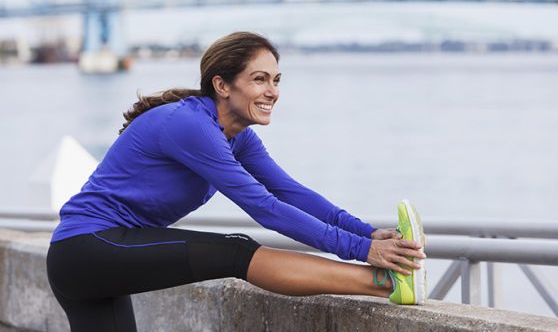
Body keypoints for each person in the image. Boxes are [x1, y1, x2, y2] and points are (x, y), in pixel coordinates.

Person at [46, 31, 427, 332]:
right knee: (234, 251)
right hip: (88, 249)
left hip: (96, 258)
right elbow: (263, 207)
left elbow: (288, 191)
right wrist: (361, 252)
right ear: (223, 85)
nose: (273, 91)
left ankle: (385, 275)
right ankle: (384, 283)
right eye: (259, 79)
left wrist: (366, 233)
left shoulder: (236, 135)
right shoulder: (189, 125)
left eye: (276, 80)